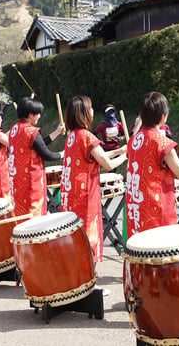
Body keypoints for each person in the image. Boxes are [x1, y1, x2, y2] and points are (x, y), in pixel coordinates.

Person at [125, 92, 179, 238]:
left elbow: (154, 168)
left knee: (140, 250)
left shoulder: (133, 140)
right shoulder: (162, 142)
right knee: (159, 253)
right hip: (156, 208)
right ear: (163, 116)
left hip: (137, 206)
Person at [61, 95, 127, 263]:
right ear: (82, 113)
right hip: (85, 195)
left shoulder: (72, 136)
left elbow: (96, 155)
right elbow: (108, 164)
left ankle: (77, 280)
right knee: (88, 236)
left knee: (75, 235)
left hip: (71, 194)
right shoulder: (87, 137)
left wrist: (118, 151)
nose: (92, 111)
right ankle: (88, 282)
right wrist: (126, 155)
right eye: (89, 108)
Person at [8, 97, 64, 217]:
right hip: (31, 181)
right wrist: (62, 154)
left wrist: (57, 132)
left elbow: (38, 145)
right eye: (38, 113)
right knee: (34, 215)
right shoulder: (30, 131)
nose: (39, 116)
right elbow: (46, 154)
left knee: (21, 213)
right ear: (30, 114)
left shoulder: (15, 129)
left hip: (18, 181)